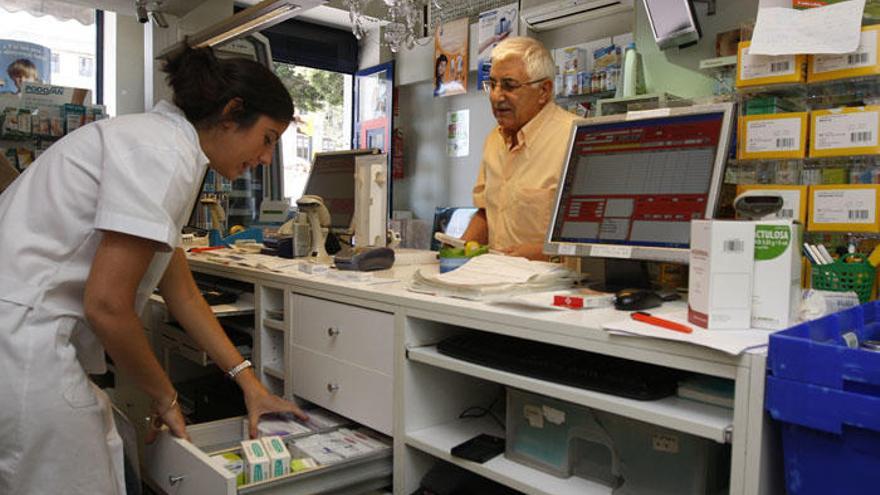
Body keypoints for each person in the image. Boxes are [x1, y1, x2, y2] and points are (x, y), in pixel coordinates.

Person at [0, 46, 307, 494]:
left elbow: (182, 293)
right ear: (231, 112)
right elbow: (107, 306)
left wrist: (250, 383)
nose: (265, 158)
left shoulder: (158, 142)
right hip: (23, 345)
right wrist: (165, 395)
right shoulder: (165, 155)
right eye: (267, 138)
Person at [462, 36, 577, 261]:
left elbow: (595, 234)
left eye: (509, 85)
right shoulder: (493, 141)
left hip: (553, 288)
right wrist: (457, 249)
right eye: (492, 84)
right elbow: (486, 212)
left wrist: (543, 254)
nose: (496, 96)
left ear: (544, 90)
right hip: (496, 280)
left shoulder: (574, 138)